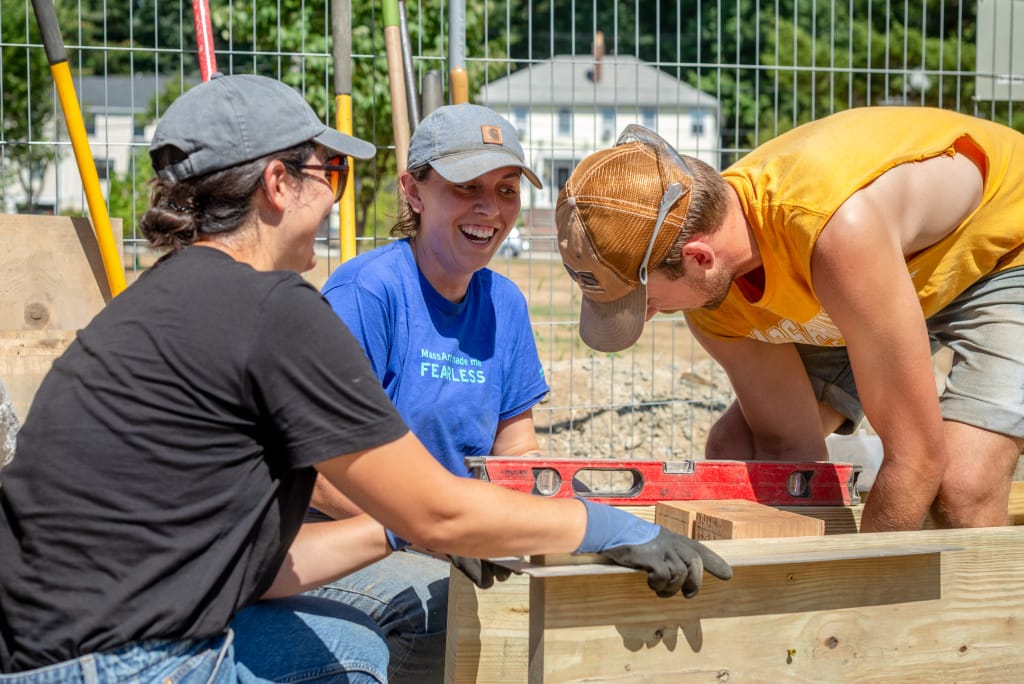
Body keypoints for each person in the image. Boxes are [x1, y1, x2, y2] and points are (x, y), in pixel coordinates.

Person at [0, 74, 731, 683]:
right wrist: (606, 528)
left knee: (352, 653)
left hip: (48, 647)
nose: (340, 195)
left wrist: (396, 528)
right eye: (333, 172)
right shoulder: (275, 309)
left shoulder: (163, 298)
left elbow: (258, 566)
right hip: (130, 663)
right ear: (279, 185)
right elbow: (436, 514)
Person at [555, 110, 1024, 534]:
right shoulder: (715, 293)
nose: (653, 315)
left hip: (1004, 246)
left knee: (962, 488)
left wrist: (856, 609)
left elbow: (917, 458)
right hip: (883, 277)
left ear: (698, 257)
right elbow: (788, 448)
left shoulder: (831, 229)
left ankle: (985, 626)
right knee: (737, 448)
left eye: (648, 300)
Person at [312, 103, 549, 683]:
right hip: (339, 540)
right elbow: (315, 464)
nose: (489, 209)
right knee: (439, 605)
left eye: (507, 188)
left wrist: (555, 512)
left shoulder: (504, 305)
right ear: (413, 192)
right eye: (466, 187)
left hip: (445, 537)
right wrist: (428, 532)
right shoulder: (368, 293)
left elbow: (515, 453)